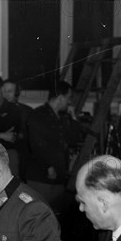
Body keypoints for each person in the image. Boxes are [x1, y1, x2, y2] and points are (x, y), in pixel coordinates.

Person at [26, 80, 81, 216]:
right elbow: (37, 144)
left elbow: (75, 138)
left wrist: (73, 117)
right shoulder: (38, 115)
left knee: (55, 216)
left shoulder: (61, 117)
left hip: (57, 177)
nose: (69, 102)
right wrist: (48, 166)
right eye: (68, 98)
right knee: (40, 215)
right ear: (61, 98)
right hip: (42, 177)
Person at [2, 79, 32, 180]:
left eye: (9, 91)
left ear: (17, 93)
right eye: (4, 91)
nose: (6, 94)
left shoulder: (26, 111)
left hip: (20, 158)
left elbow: (30, 136)